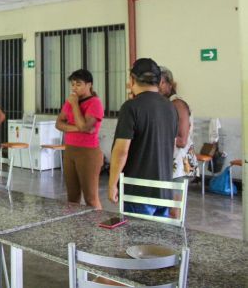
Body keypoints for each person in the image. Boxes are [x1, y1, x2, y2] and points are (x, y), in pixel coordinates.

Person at [108, 58, 178, 217]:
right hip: (164, 189)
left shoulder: (131, 107)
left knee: (137, 233)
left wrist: (112, 184)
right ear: (159, 81)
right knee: (157, 234)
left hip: (137, 191)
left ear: (132, 79)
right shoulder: (170, 107)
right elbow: (171, 147)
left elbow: (121, 151)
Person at [55, 69, 104, 209]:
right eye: (72, 84)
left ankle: (97, 222)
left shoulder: (95, 103)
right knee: (72, 197)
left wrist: (75, 105)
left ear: (89, 85)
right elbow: (58, 124)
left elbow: (85, 126)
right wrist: (79, 128)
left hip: (88, 153)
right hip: (70, 150)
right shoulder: (70, 101)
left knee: (91, 198)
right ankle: (74, 222)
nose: (74, 88)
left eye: (78, 84)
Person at [159, 66, 199, 218]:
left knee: (174, 210)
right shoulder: (165, 103)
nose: (158, 86)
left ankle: (176, 233)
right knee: (167, 207)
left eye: (162, 82)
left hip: (179, 163)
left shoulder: (177, 104)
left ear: (170, 84)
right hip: (170, 162)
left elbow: (182, 140)